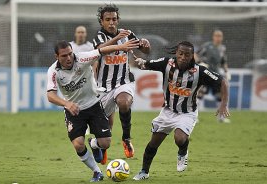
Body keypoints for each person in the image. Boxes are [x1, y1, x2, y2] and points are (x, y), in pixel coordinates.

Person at [132, 41, 230, 180]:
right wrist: (140, 62)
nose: (183, 57)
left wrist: (224, 104)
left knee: (180, 137)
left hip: (187, 113)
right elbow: (145, 64)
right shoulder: (167, 63)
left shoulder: (200, 71)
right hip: (167, 111)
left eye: (187, 54)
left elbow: (223, 82)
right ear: (176, 53)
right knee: (153, 143)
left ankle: (182, 152)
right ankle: (144, 172)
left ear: (192, 56)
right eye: (181, 53)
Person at [46, 39, 139, 182]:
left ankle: (94, 144)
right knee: (78, 144)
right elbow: (50, 95)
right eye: (64, 56)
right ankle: (97, 172)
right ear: (56, 57)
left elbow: (102, 50)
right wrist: (66, 104)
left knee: (105, 143)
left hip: (94, 104)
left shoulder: (82, 58)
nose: (69, 58)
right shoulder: (53, 71)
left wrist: (122, 47)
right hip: (74, 110)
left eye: (70, 54)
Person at [92, 3, 151, 160]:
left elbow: (143, 49)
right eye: (108, 19)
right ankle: (98, 145)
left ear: (118, 20)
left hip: (124, 82)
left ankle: (126, 139)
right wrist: (117, 40)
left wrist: (145, 44)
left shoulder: (127, 34)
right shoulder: (99, 37)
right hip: (103, 88)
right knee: (106, 134)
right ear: (101, 21)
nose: (111, 22)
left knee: (124, 102)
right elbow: (100, 49)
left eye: (114, 19)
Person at [195, 29, 231, 123]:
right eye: (216, 36)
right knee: (200, 95)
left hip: (216, 75)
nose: (218, 38)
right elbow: (195, 54)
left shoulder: (222, 48)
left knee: (220, 95)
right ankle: (194, 117)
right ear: (213, 37)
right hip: (206, 74)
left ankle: (221, 118)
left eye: (220, 36)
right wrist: (200, 62)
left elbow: (223, 62)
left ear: (222, 38)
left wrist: (226, 71)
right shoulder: (207, 46)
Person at [70, 26, 94, 135]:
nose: (80, 34)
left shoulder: (90, 47)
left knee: (89, 102)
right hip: (73, 81)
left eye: (82, 32)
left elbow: (95, 63)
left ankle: (90, 124)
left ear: (85, 34)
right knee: (76, 102)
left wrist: (95, 76)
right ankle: (78, 125)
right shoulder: (70, 46)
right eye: (78, 32)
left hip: (88, 79)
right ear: (75, 34)